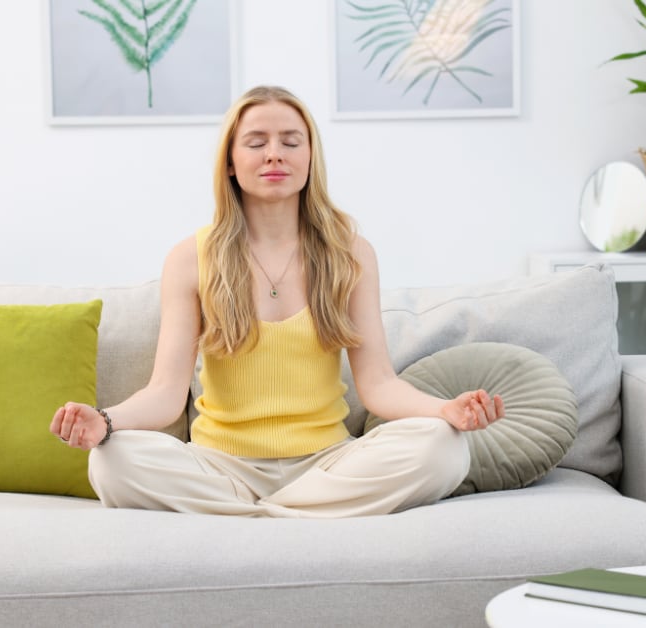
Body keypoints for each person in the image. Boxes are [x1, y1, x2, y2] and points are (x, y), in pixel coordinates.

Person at [49, 85, 504, 518]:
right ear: (230, 162)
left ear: (310, 157)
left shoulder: (350, 252)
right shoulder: (190, 258)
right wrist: (105, 421)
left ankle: (255, 515)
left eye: (290, 142)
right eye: (256, 142)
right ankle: (302, 513)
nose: (274, 154)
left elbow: (379, 384)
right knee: (110, 460)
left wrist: (443, 410)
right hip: (219, 468)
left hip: (327, 463)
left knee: (444, 447)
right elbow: (166, 394)